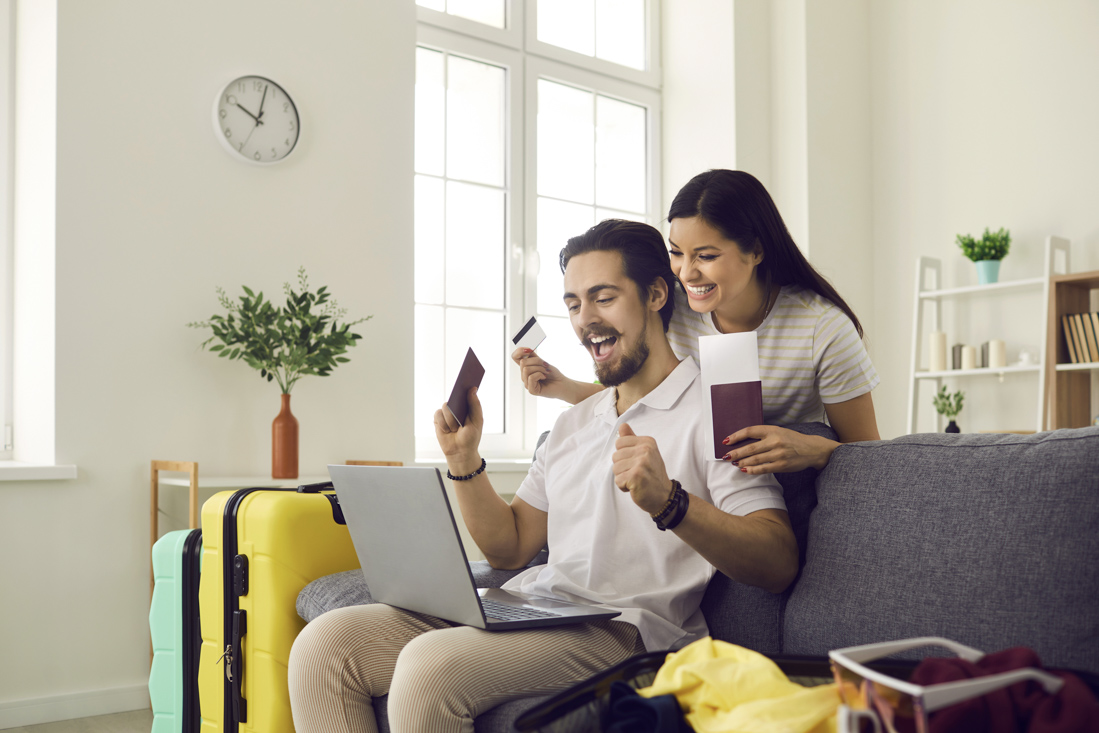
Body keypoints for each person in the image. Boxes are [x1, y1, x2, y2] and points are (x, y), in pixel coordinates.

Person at [287, 219, 797, 733]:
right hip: (539, 605)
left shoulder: (718, 410)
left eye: (603, 297)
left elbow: (777, 559)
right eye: (574, 304)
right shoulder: (574, 421)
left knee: (429, 669)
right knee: (325, 647)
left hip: (627, 629)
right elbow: (508, 550)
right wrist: (465, 462)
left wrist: (672, 503)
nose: (585, 321)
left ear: (656, 294)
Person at [514, 169, 880, 475]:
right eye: (676, 253)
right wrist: (564, 387)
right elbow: (646, 403)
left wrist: (812, 448)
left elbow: (870, 456)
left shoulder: (822, 329)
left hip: (778, 487)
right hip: (689, 476)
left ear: (755, 250)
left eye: (705, 255)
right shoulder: (671, 304)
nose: (686, 273)